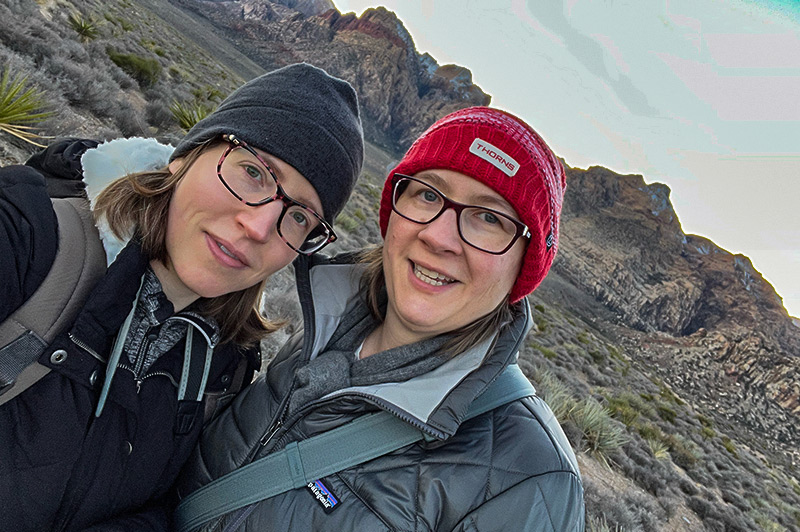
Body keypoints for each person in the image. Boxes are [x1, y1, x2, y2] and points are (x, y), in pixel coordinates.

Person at [176, 106, 585, 531]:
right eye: (428, 195)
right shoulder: (324, 332)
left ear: (524, 266)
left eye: (489, 218)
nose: (438, 236)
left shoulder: (532, 479)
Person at [0, 62, 364, 531]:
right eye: (253, 172)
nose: (258, 226)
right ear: (187, 156)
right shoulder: (28, 235)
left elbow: (167, 505)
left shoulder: (227, 365)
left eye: (299, 217)